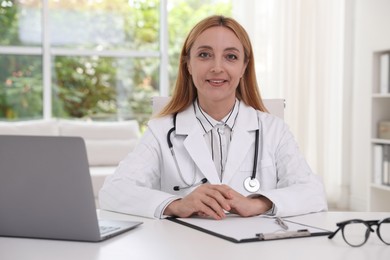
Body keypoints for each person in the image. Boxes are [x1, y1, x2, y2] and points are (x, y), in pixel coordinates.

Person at [99, 15, 328, 220]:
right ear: (188, 64)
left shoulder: (273, 129)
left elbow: (313, 193)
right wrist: (176, 205)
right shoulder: (161, 131)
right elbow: (112, 192)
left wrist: (256, 203)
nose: (217, 67)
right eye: (205, 55)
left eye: (230, 56)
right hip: (184, 249)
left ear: (244, 67)